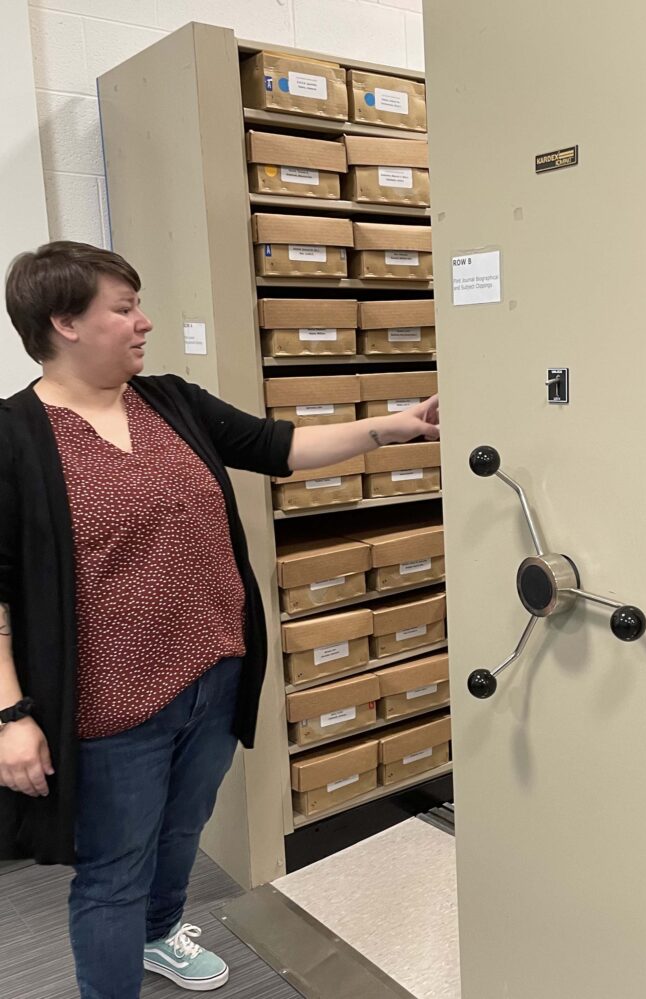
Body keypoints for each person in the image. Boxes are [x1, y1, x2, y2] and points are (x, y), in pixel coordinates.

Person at [0, 241, 440, 998]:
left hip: (213, 676)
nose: (144, 322)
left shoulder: (170, 400)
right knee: (113, 870)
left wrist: (393, 426)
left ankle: (160, 931)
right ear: (64, 320)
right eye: (124, 308)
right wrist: (10, 714)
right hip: (112, 710)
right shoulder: (12, 439)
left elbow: (282, 446)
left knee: (181, 831)